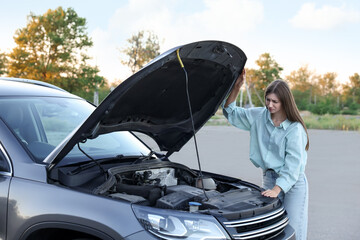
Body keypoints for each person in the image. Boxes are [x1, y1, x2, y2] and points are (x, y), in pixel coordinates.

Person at [222, 69, 309, 240]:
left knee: (292, 229)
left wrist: (277, 189)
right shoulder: (259, 116)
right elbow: (230, 112)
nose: (270, 105)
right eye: (268, 100)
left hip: (293, 183)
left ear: (284, 102)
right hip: (269, 178)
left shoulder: (294, 129)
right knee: (270, 229)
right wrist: (237, 86)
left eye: (275, 102)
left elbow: (292, 167)